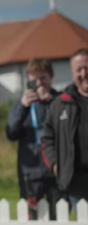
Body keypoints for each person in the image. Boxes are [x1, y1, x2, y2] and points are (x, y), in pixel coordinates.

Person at [5, 58, 63, 225]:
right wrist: (22, 107)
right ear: (27, 80)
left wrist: (52, 105)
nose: (39, 83)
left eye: (43, 78)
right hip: (30, 173)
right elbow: (11, 132)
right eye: (34, 79)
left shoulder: (62, 100)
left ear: (51, 78)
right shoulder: (20, 103)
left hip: (57, 173)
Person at [41, 48, 88, 207]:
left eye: (87, 68)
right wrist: (55, 164)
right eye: (78, 70)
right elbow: (47, 139)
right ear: (72, 72)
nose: (84, 73)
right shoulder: (60, 103)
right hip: (76, 183)